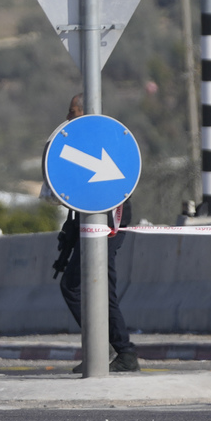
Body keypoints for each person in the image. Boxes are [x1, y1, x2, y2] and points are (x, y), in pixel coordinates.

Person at [51, 95, 139, 373]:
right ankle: (104, 351)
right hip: (89, 218)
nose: (68, 119)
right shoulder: (81, 143)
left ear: (87, 113)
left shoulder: (100, 139)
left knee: (90, 288)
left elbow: (111, 184)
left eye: (72, 112)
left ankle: (120, 351)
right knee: (82, 287)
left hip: (109, 217)